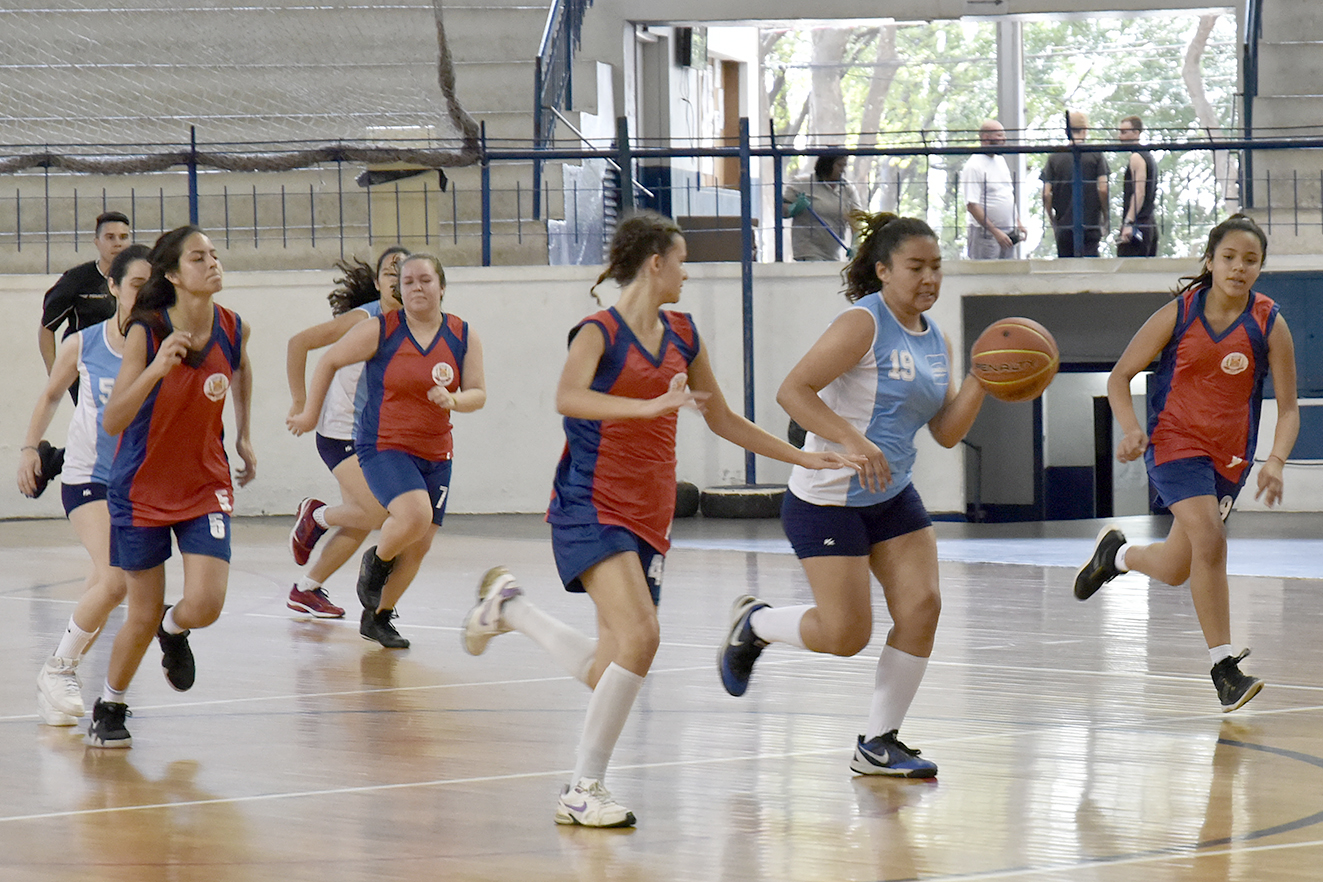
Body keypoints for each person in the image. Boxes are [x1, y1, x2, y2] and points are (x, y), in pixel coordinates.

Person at [459, 211, 860, 828]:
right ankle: (582, 789)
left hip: (651, 511)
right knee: (643, 639)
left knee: (610, 665)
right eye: (681, 261)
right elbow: (568, 398)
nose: (686, 273)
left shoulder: (683, 333)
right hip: (591, 503)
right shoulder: (598, 332)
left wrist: (803, 455)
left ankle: (509, 609)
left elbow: (723, 419)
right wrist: (648, 407)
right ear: (655, 263)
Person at [719, 212, 990, 780]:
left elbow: (944, 433)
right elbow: (792, 391)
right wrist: (851, 439)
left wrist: (983, 380)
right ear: (884, 270)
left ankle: (878, 742)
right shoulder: (861, 324)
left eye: (937, 267)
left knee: (923, 607)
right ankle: (757, 624)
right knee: (846, 636)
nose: (929, 278)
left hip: (891, 494)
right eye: (916, 267)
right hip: (828, 496)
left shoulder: (936, 338)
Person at [1073, 214, 1297, 713]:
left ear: (1260, 268)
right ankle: (1224, 668)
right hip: (1173, 444)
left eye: (1251, 260)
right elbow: (1119, 377)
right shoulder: (1178, 314)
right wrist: (1132, 430)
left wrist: (1276, 460)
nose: (1239, 268)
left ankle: (1118, 556)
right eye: (1229, 258)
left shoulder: (1268, 323)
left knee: (1177, 567)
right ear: (1210, 261)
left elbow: (1287, 408)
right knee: (1211, 541)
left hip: (1229, 459)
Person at [89, 225, 257, 748]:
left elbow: (242, 369)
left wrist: (244, 433)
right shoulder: (148, 331)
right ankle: (110, 703)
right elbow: (113, 420)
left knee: (205, 603)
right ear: (172, 275)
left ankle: (177, 628)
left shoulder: (233, 327)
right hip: (141, 487)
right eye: (197, 258)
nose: (212, 263)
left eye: (213, 254)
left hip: (205, 482)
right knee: (140, 613)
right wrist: (156, 370)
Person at [287, 253, 485, 649]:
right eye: (407, 281)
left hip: (436, 450)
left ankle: (376, 616)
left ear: (441, 287)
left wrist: (455, 401)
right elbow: (322, 357)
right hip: (381, 442)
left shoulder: (463, 334)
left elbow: (478, 393)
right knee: (408, 515)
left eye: (425, 280)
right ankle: (372, 562)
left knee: (420, 540)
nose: (416, 287)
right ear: (395, 288)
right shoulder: (377, 327)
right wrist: (306, 409)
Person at [18, 244, 151, 726]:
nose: (145, 295)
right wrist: (31, 449)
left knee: (106, 583)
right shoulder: (84, 344)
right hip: (87, 477)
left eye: (152, 287)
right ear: (113, 288)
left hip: (137, 485)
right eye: (136, 285)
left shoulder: (163, 347)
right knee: (113, 579)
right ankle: (58, 669)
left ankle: (60, 673)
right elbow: (52, 394)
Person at [284, 247, 409, 618]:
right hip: (342, 432)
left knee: (358, 519)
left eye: (407, 271)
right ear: (377, 284)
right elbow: (299, 343)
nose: (399, 277)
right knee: (377, 513)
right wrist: (301, 404)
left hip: (377, 436)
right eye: (391, 271)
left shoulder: (417, 327)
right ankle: (316, 516)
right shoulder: (363, 319)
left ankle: (305, 589)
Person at [30, 210, 134, 494]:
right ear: (96, 241)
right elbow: (46, 328)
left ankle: (55, 461)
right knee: (103, 429)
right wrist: (57, 374)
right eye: (110, 237)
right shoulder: (77, 281)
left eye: (124, 237)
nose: (118, 243)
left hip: (129, 365)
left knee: (119, 431)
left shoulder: (139, 279)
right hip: (87, 371)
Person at [1042, 111, 1109, 257]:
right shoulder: (1096, 155)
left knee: (1067, 269)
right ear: (1085, 130)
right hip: (1090, 223)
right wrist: (1105, 215)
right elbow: (1103, 189)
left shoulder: (1054, 157)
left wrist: (1053, 220)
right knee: (1091, 270)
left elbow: (1046, 193)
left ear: (1066, 131)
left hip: (1064, 225)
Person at [960, 120, 1026, 259]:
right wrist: (995, 232)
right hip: (985, 235)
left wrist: (1017, 222)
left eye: (1003, 135)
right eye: (999, 135)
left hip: (1008, 233)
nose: (1004, 139)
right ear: (985, 138)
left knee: (1007, 275)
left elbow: (1007, 192)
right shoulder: (974, 166)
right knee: (985, 274)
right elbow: (972, 205)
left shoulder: (1000, 161)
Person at [783, 152, 862, 261]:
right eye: (839, 165)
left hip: (833, 252)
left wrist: (856, 244)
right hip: (808, 250)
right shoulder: (802, 183)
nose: (842, 170)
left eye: (844, 166)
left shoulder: (847, 189)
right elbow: (781, 210)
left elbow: (857, 220)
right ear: (827, 165)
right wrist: (794, 208)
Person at [1116, 115, 1159, 257]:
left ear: (1136, 133)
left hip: (1138, 224)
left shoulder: (1137, 157)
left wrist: (1128, 222)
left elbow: (1139, 193)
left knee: (1126, 273)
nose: (1119, 136)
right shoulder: (1148, 156)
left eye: (1124, 132)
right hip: (1149, 224)